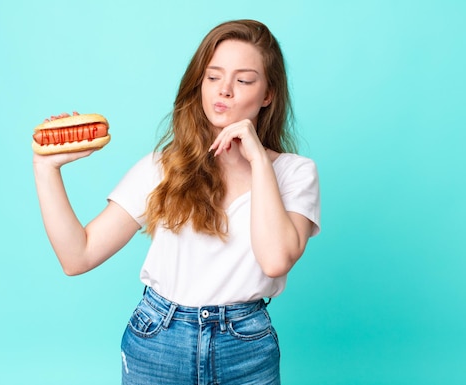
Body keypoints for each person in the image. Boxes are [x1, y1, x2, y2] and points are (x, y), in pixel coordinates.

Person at [33, 19, 321, 385]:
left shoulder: (295, 173)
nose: (225, 90)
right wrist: (45, 169)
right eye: (213, 76)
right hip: (158, 339)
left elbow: (275, 258)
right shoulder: (161, 168)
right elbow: (78, 256)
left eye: (244, 80)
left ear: (268, 94)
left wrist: (259, 161)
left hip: (245, 345)